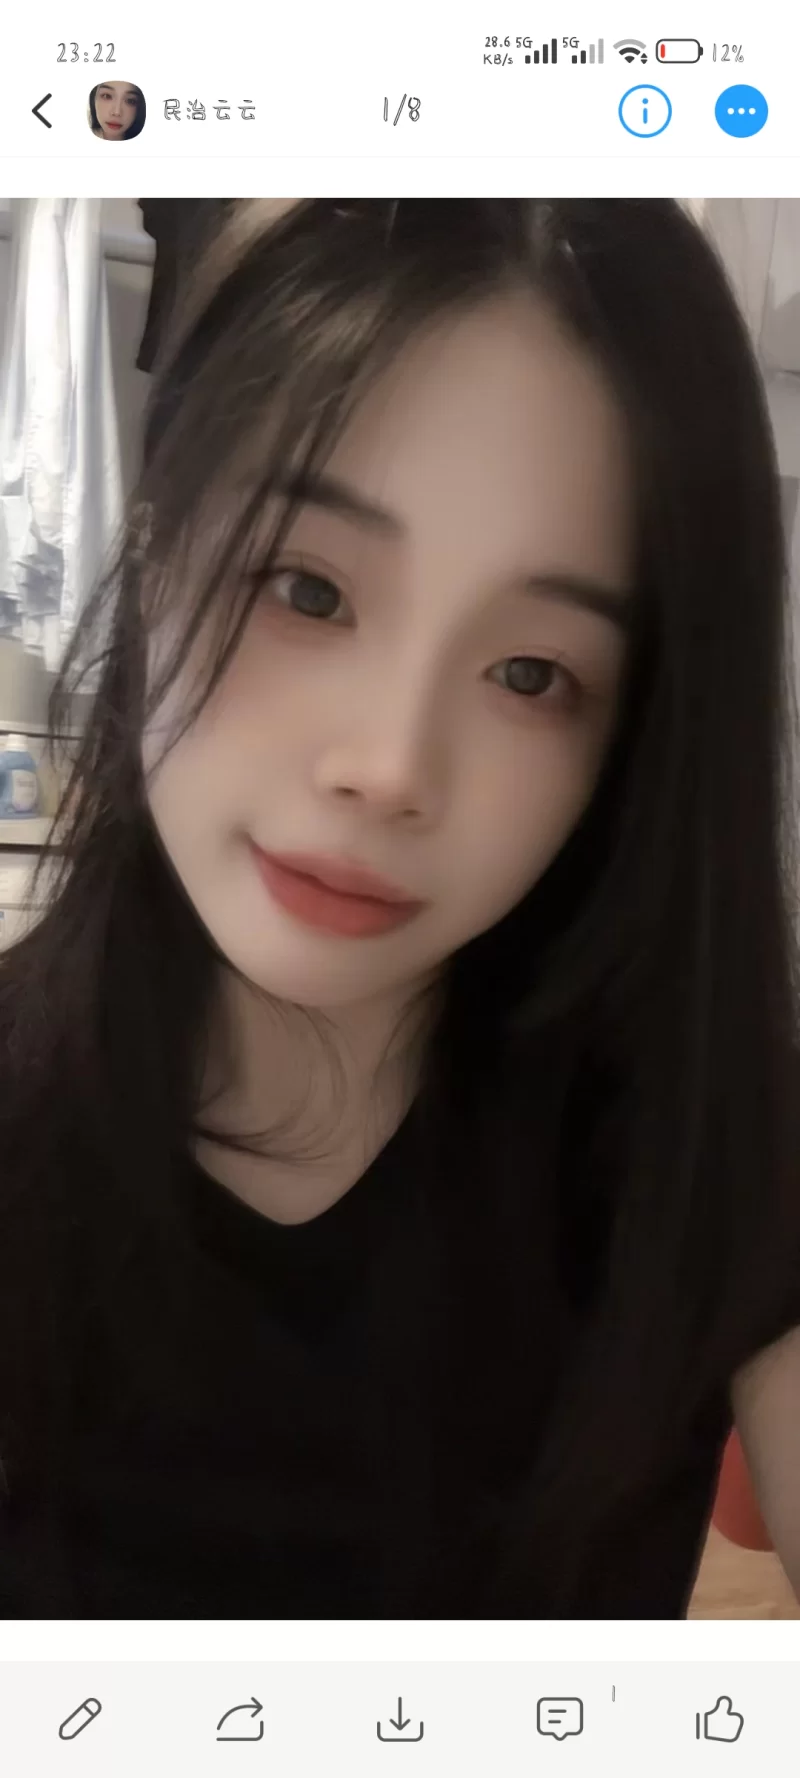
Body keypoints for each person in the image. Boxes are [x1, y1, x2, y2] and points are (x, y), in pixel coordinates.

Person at [0, 197, 798, 1618]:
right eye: (306, 588)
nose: (390, 766)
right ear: (159, 553)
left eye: (531, 675)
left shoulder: (705, 1147)